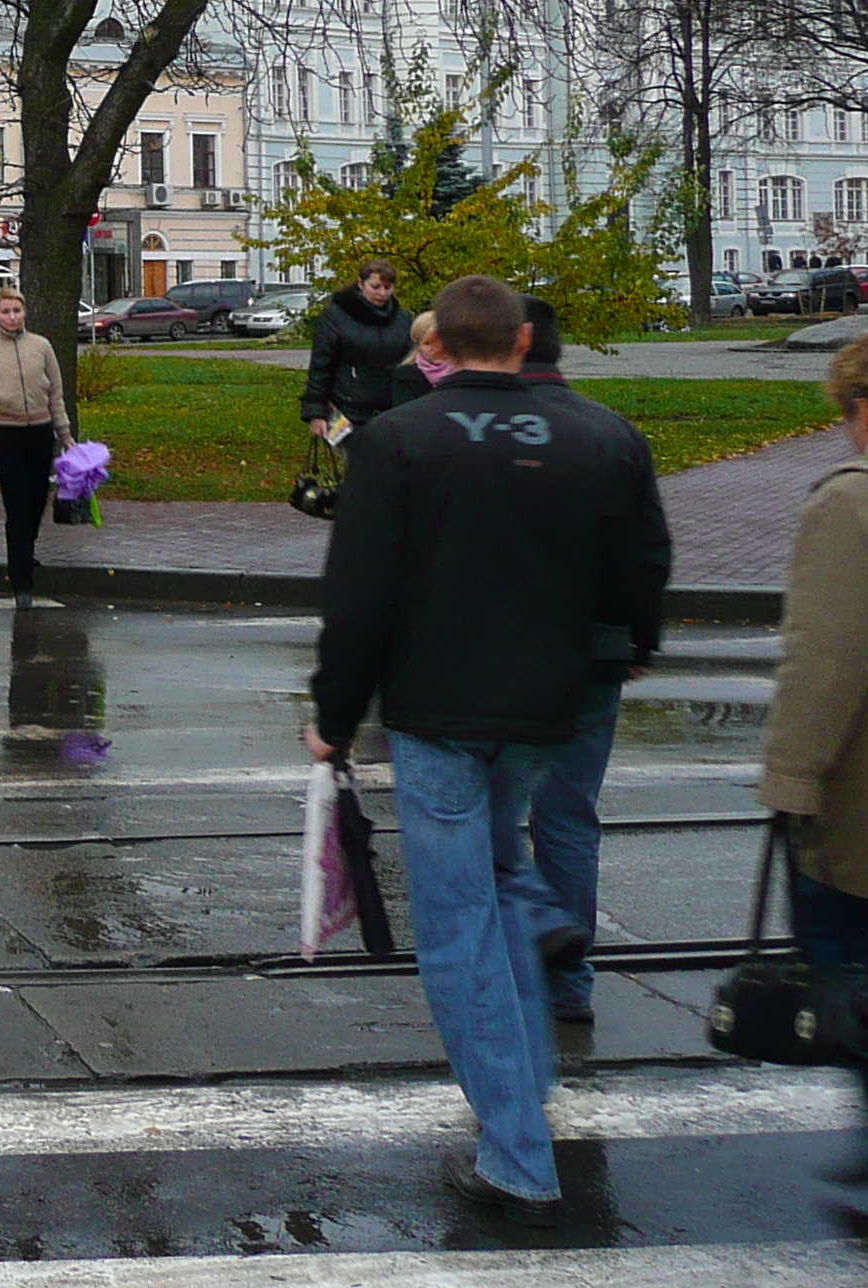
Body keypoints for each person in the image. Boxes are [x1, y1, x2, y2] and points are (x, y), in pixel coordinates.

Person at [308, 274, 668, 1219]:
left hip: (436, 714)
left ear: (437, 349)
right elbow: (642, 567)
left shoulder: (397, 442)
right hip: (545, 705)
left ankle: (516, 1151)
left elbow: (358, 597)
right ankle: (536, 978)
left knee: (459, 923)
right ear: (519, 344)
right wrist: (634, 648)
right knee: (504, 875)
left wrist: (333, 717)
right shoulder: (603, 436)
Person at [498, 296, 653, 1026]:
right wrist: (637, 639)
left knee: (485, 814)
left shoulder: (481, 433)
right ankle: (571, 983)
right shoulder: (613, 433)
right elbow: (648, 551)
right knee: (568, 816)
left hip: (505, 658)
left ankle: (525, 943)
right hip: (596, 652)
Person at [763, 330, 868, 1227]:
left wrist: (790, 780)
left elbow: (826, 662)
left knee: (845, 976)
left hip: (859, 808)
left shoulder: (850, 508)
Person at [0, 289, 67, 596]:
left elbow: (56, 394)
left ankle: (26, 550)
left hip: (40, 432)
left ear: (25, 312)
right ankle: (21, 580)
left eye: (17, 311)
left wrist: (66, 435)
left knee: (36, 502)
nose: (12, 317)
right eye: (5, 311)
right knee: (17, 506)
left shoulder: (41, 346)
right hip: (7, 434)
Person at [303, 258, 413, 440]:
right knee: (355, 464)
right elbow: (320, 366)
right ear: (361, 284)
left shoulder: (403, 318)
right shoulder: (335, 316)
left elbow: (410, 363)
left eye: (388, 288)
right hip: (344, 410)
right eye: (376, 287)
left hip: (391, 410)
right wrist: (316, 413)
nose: (382, 293)